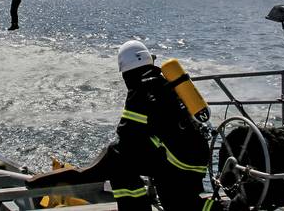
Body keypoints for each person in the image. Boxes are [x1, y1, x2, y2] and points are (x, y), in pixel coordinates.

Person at [27, 40, 214, 210]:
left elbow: (126, 135)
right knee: (176, 202)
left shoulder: (141, 91)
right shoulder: (165, 84)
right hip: (196, 160)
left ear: (125, 71)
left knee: (117, 162)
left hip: (179, 165)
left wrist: (95, 167)